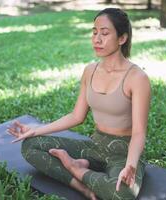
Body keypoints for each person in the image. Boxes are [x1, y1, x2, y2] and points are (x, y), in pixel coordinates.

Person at [8, 8, 151, 200]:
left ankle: (76, 168)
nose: (97, 39)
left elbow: (139, 132)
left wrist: (131, 164)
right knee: (30, 146)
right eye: (94, 32)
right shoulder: (90, 71)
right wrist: (36, 129)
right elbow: (77, 116)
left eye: (105, 33)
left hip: (123, 153)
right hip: (95, 146)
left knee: (124, 194)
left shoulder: (137, 78)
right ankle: (81, 186)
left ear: (122, 38)